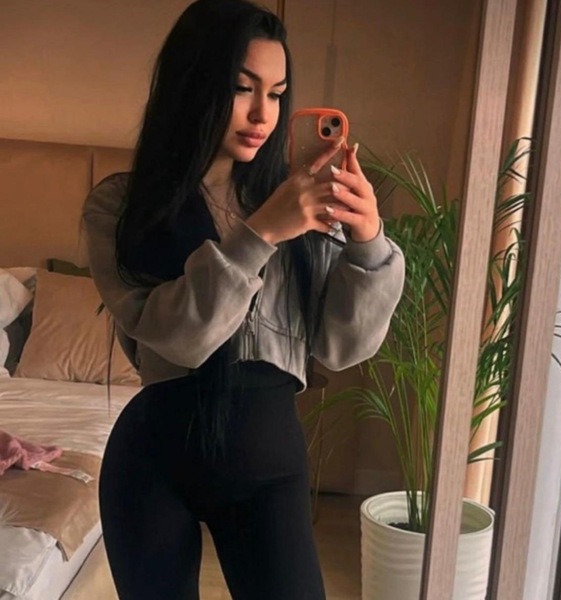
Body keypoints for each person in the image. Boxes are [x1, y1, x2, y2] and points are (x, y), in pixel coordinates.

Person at [82, 0, 405, 598]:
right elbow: (179, 339)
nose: (263, 114)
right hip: (152, 464)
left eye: (277, 94)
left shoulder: (300, 204)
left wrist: (367, 242)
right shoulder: (121, 207)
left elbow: (341, 347)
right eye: (241, 87)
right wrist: (260, 233)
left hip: (268, 468)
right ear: (193, 84)